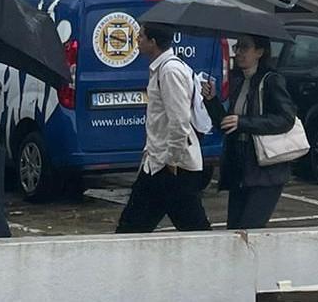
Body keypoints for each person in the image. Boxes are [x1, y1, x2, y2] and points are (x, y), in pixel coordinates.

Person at [115, 22, 211, 233]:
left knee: (194, 229)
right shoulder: (163, 68)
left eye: (141, 37)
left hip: (172, 167)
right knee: (132, 226)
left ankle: (215, 261)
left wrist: (172, 159)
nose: (137, 41)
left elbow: (179, 120)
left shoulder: (170, 71)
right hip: (157, 163)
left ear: (153, 42)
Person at [203, 34, 297, 230]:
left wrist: (244, 122)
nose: (238, 53)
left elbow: (286, 118)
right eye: (237, 47)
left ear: (260, 52)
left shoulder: (271, 81)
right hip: (240, 167)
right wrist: (211, 101)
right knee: (235, 230)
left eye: (245, 48)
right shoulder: (239, 80)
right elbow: (227, 123)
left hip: (265, 169)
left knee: (250, 229)